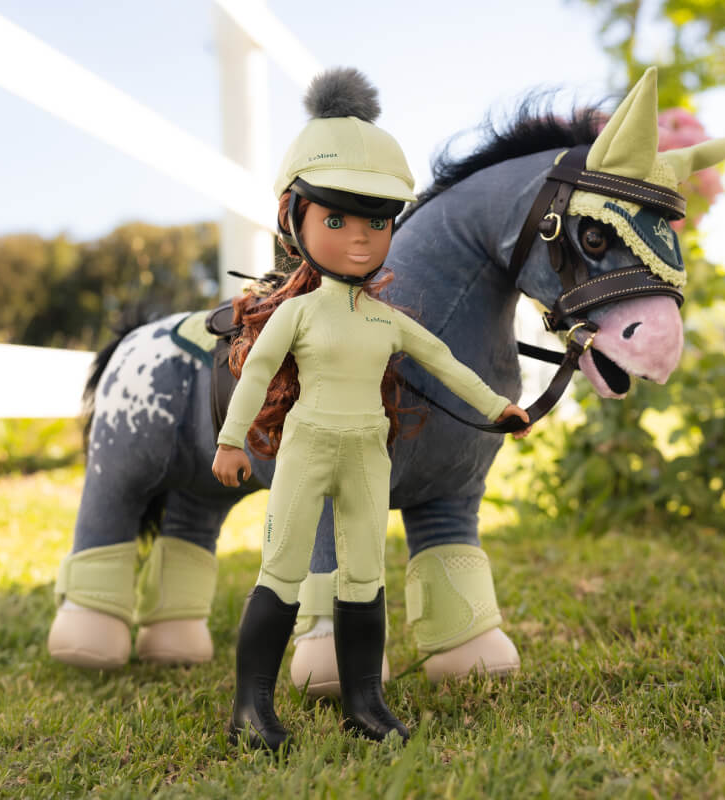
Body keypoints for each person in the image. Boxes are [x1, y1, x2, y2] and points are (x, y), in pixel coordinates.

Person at [212, 67, 531, 751]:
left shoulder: (386, 320)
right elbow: (260, 370)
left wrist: (498, 406)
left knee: (363, 574)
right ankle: (251, 707)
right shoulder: (295, 313)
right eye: (335, 219)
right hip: (306, 449)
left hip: (366, 454)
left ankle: (365, 699)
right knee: (284, 570)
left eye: (378, 222)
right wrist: (233, 439)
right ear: (293, 220)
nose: (359, 239)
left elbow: (446, 363)